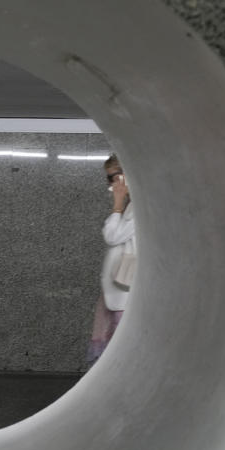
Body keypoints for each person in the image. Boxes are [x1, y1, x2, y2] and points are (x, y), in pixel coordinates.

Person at [86, 154, 136, 368]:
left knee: (120, 353)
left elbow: (113, 236)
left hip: (125, 292)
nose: (111, 184)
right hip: (118, 290)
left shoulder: (141, 208)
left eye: (113, 177)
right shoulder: (132, 205)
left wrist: (117, 205)